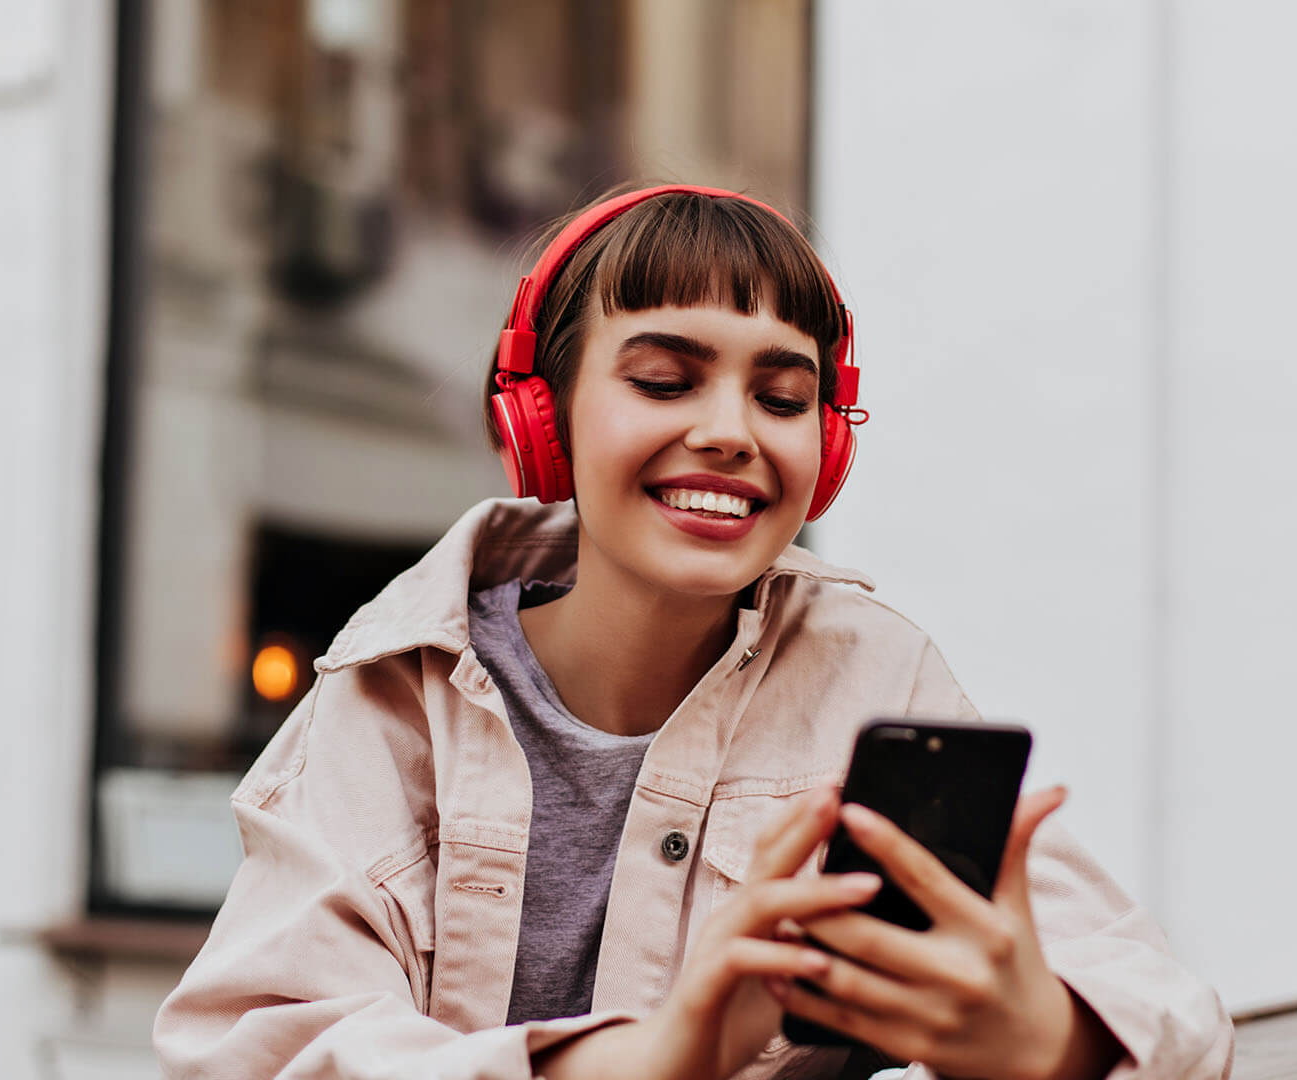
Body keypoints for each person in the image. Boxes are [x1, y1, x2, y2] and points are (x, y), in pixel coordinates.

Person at [153, 185, 1235, 1080]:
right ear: (542, 418)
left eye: (781, 397)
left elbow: (1168, 1010)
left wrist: (1040, 1038)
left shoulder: (872, 675)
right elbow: (252, 1051)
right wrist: (646, 1060)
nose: (728, 433)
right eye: (665, 380)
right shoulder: (393, 696)